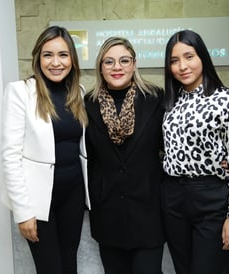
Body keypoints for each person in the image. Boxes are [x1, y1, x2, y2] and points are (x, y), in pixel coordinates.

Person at [161, 29, 229, 274]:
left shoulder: (226, 101)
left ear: (202, 57)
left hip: (210, 197)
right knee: (183, 269)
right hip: (173, 197)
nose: (182, 66)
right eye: (174, 60)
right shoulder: (171, 102)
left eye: (189, 56)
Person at [1, 26, 90, 274]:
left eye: (63, 55)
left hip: (72, 194)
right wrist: (23, 212)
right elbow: (10, 156)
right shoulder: (20, 92)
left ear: (72, 58)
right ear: (38, 58)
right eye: (47, 55)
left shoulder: (78, 93)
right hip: (39, 201)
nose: (56, 62)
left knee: (69, 264)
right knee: (49, 268)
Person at [84, 36, 165, 274]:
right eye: (109, 62)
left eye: (124, 60)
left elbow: (174, 143)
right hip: (108, 214)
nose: (117, 67)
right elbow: (86, 156)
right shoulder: (87, 104)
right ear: (100, 67)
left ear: (134, 63)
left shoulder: (155, 98)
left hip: (148, 213)